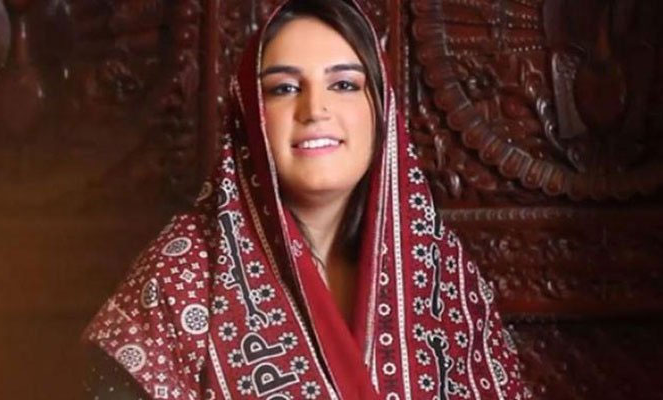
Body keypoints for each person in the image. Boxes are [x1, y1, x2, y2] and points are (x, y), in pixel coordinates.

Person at [82, 0, 530, 399]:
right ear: (250, 116)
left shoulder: (438, 267)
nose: (314, 109)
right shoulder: (186, 271)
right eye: (284, 88)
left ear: (381, 110)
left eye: (344, 85)